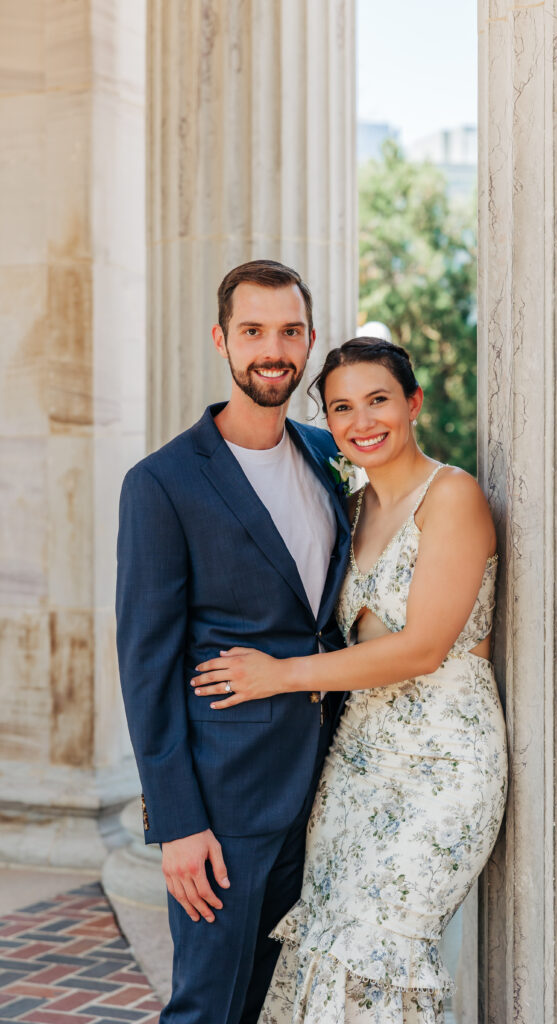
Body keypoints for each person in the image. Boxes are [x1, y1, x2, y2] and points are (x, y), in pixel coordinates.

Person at [191, 337, 509, 1024]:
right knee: (328, 942)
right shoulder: (351, 507)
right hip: (355, 761)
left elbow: (421, 648)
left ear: (412, 402)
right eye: (341, 407)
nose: (362, 421)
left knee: (384, 949)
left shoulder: (451, 496)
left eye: (378, 400)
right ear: (327, 423)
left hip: (442, 764)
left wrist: (278, 676)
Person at [115, 260, 352, 1024]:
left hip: (322, 782)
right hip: (225, 797)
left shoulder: (327, 455)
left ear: (310, 341)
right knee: (208, 1008)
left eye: (288, 332)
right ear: (222, 339)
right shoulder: (162, 482)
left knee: (269, 1003)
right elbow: (145, 664)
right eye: (253, 331)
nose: (271, 349)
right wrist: (177, 822)